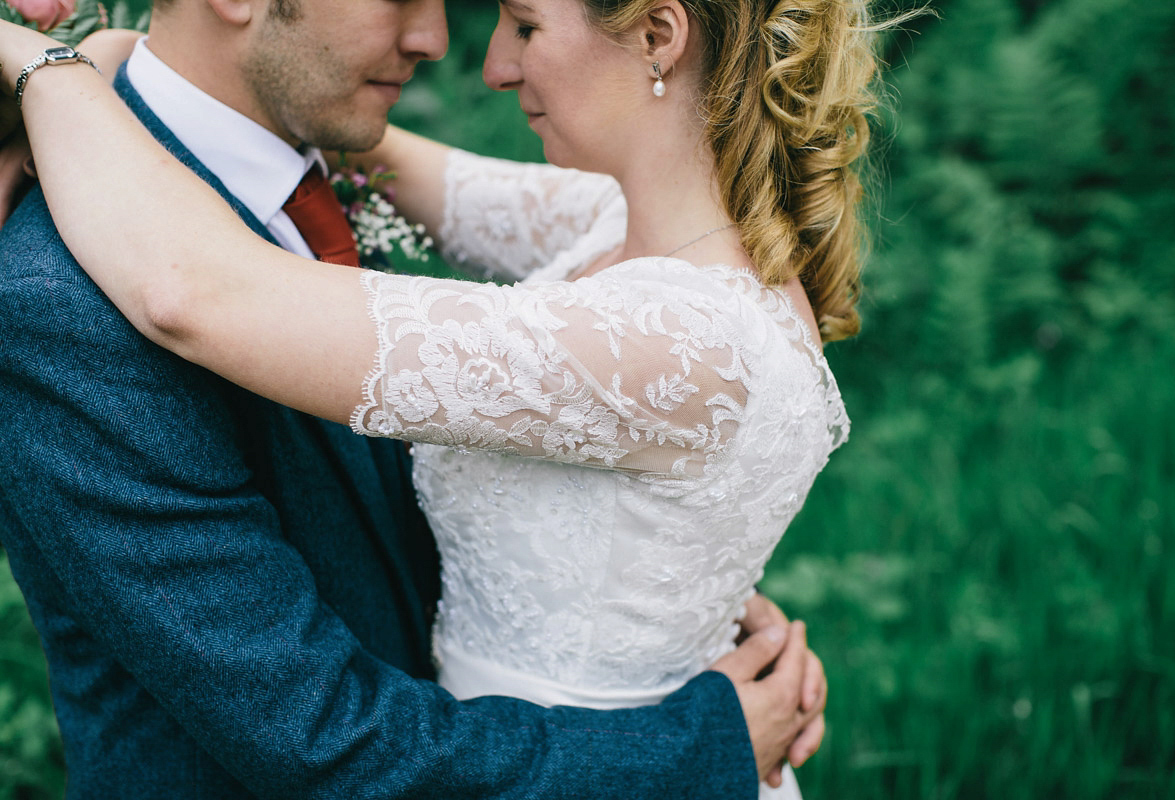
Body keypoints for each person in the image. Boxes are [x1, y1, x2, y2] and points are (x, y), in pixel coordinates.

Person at [0, 1, 828, 798]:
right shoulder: (60, 301)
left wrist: (676, 609)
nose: (445, 41)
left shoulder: (671, 312)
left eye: (526, 24)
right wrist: (80, 70)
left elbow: (201, 289)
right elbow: (319, 736)